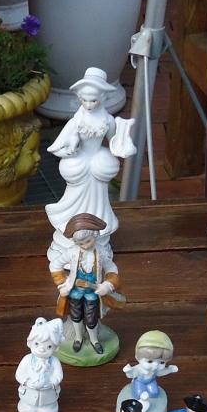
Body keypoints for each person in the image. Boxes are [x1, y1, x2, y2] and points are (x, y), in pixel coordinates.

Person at [44, 66, 137, 266]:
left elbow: (115, 142)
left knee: (99, 180)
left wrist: (123, 141)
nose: (88, 104)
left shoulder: (107, 120)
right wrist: (69, 149)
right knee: (77, 182)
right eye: (84, 100)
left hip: (97, 163)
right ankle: (71, 227)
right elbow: (60, 144)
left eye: (93, 100)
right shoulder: (77, 121)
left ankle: (97, 228)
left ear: (102, 97)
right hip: (79, 163)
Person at [53, 213, 123, 355]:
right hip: (75, 291)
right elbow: (55, 265)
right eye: (80, 243)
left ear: (95, 235)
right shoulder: (72, 252)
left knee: (91, 319)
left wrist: (107, 285)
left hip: (92, 292)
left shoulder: (101, 252)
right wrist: (62, 285)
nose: (85, 246)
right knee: (76, 316)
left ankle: (94, 340)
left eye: (88, 241)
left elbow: (111, 268)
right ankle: (78, 338)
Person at [15, 317, 64, 412]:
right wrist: (26, 382)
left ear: (56, 348)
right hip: (29, 391)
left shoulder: (54, 361)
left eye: (49, 346)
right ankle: (29, 410)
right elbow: (19, 374)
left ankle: (45, 411)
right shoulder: (27, 359)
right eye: (37, 344)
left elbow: (59, 375)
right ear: (29, 343)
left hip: (47, 393)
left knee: (48, 404)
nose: (42, 349)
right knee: (28, 403)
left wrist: (52, 383)